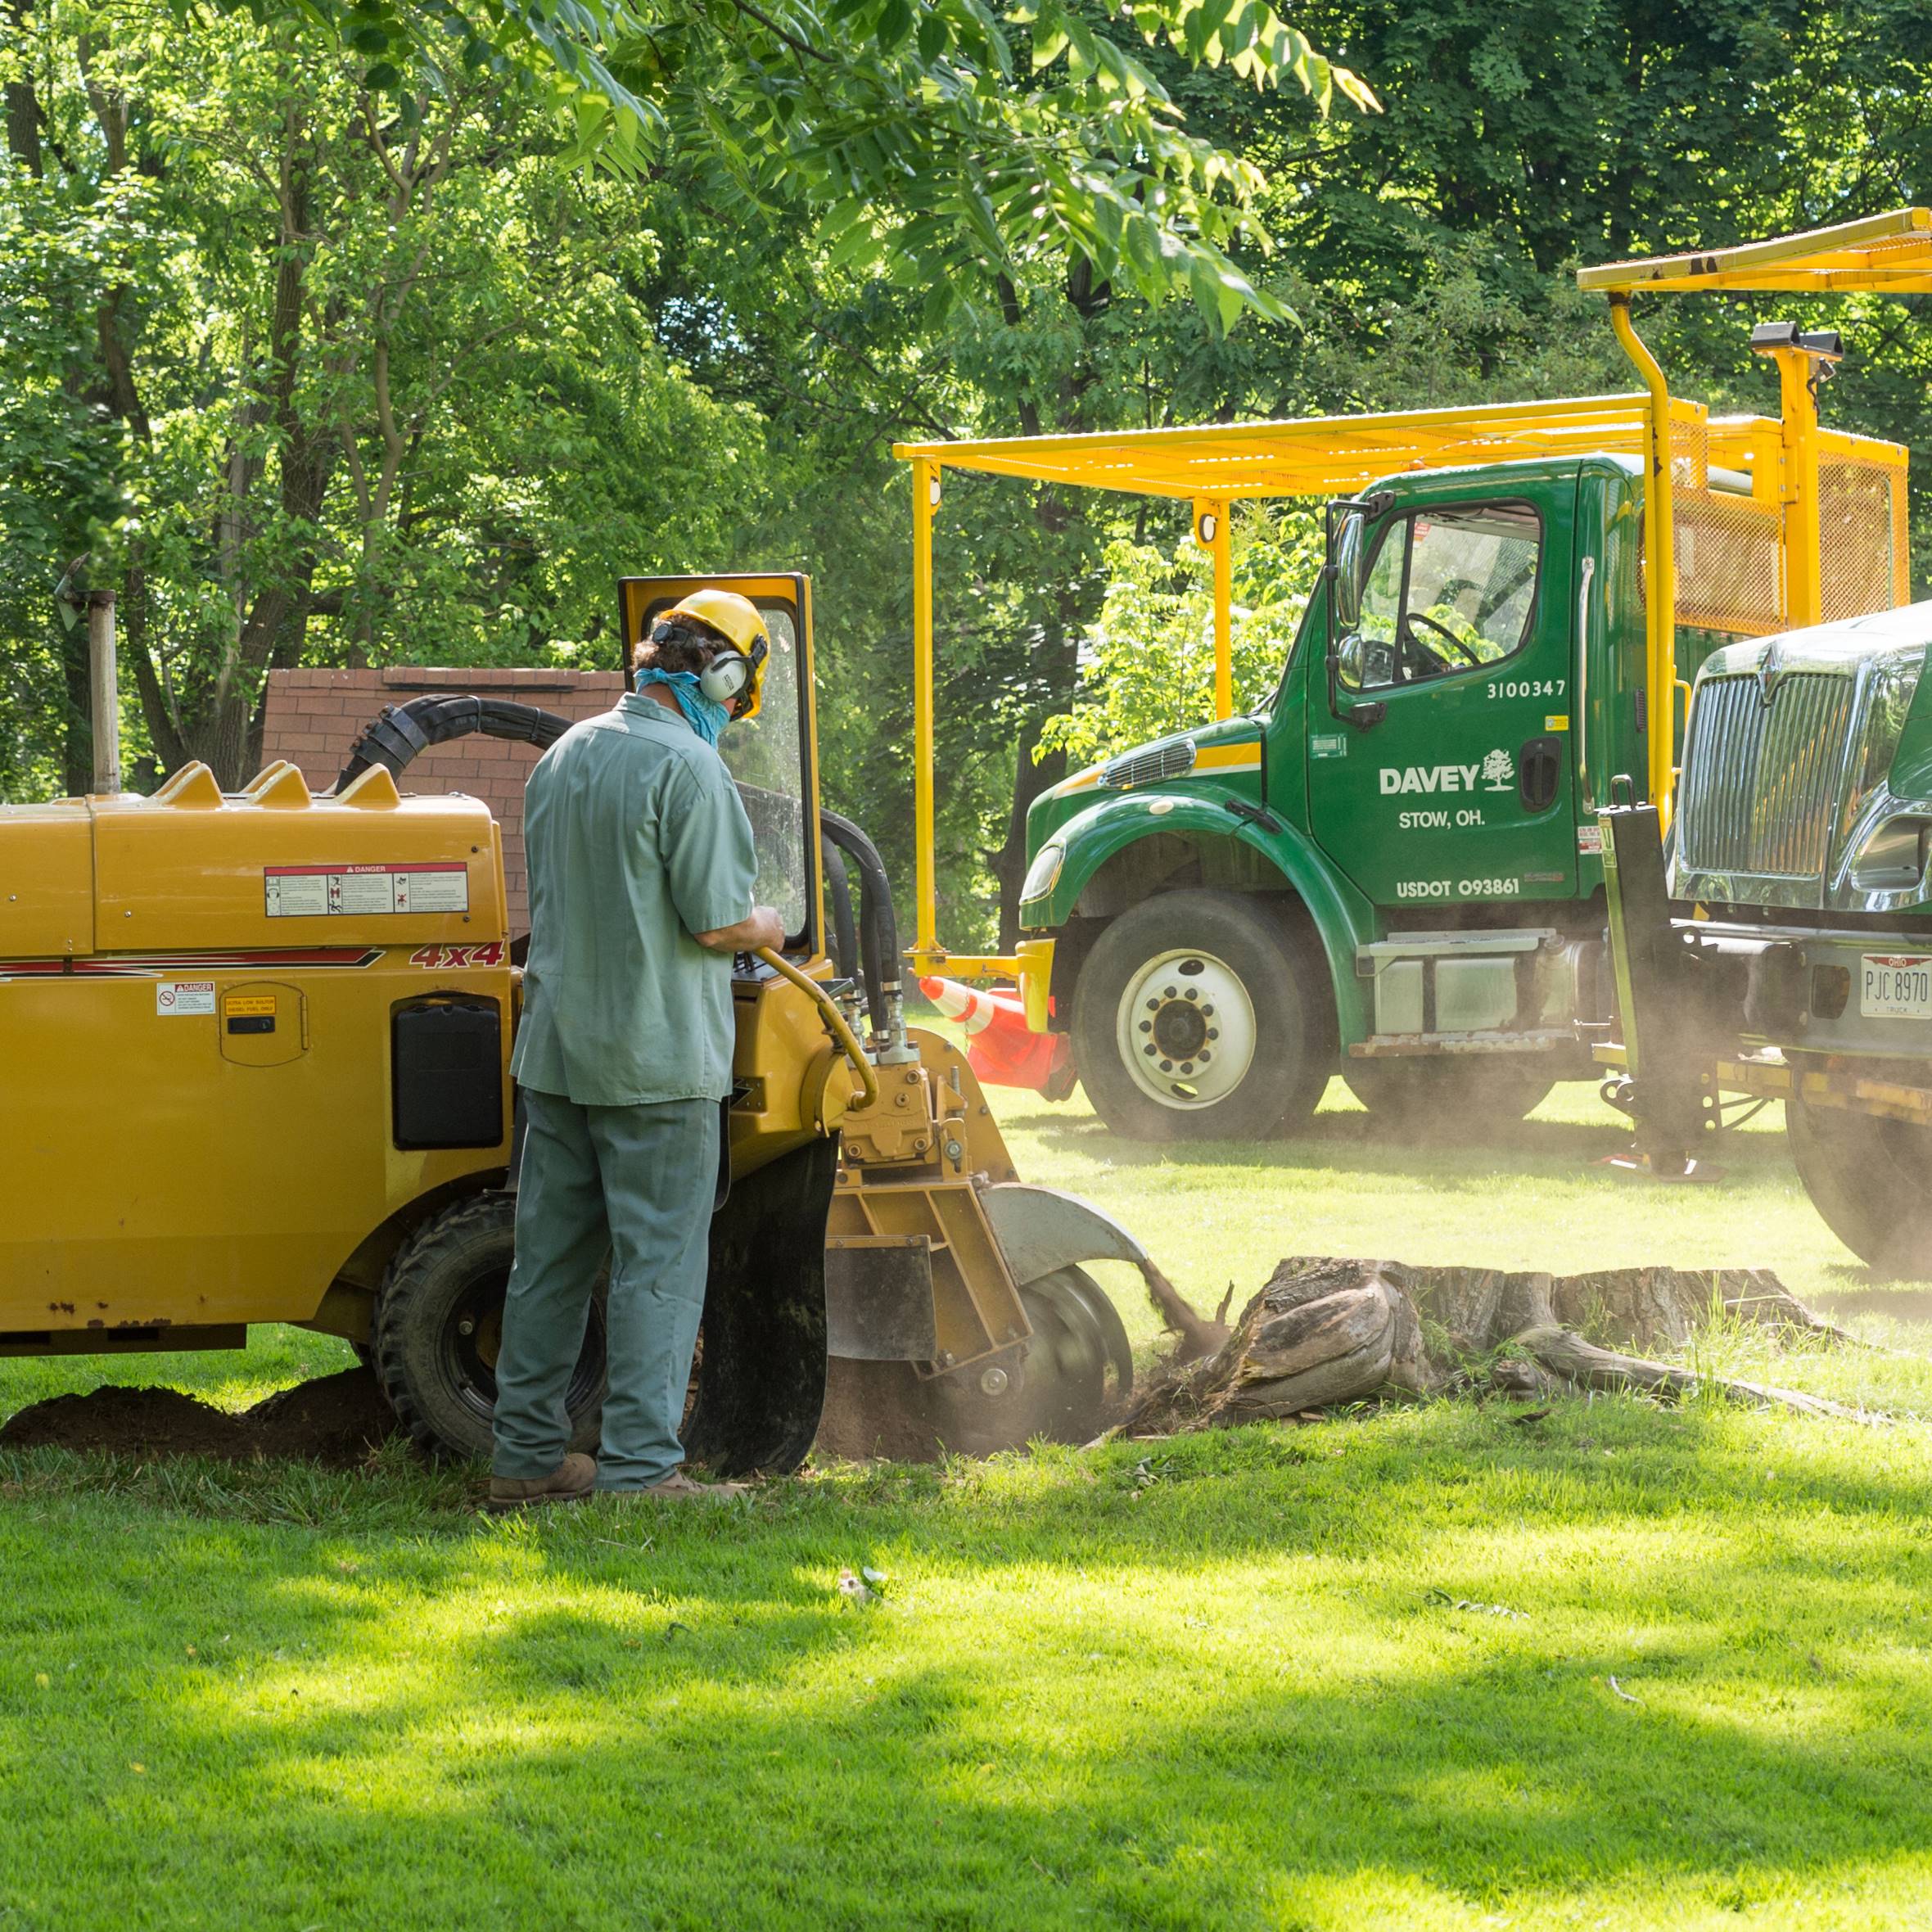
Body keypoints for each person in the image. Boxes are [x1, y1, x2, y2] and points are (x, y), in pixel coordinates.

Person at [487, 589, 785, 1510]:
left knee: (549, 1263)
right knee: (657, 1266)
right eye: (738, 698)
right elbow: (717, 923)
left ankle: (524, 1459)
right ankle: (641, 1472)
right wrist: (770, 921)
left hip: (557, 1055)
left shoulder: (565, 755)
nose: (733, 716)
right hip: (655, 1062)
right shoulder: (690, 768)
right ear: (722, 678)